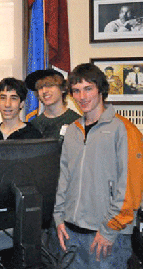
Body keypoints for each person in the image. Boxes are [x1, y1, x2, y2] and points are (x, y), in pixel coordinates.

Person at [54, 63, 143, 268]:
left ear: (101, 90)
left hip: (107, 237)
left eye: (88, 89)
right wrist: (58, 218)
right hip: (70, 234)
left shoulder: (125, 130)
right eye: (76, 91)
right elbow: (64, 178)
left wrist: (110, 230)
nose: (82, 97)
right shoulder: (72, 131)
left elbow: (131, 189)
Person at [25, 69, 80, 140]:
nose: (44, 91)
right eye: (40, 88)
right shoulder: (33, 126)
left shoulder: (76, 122)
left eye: (49, 86)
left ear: (63, 89)